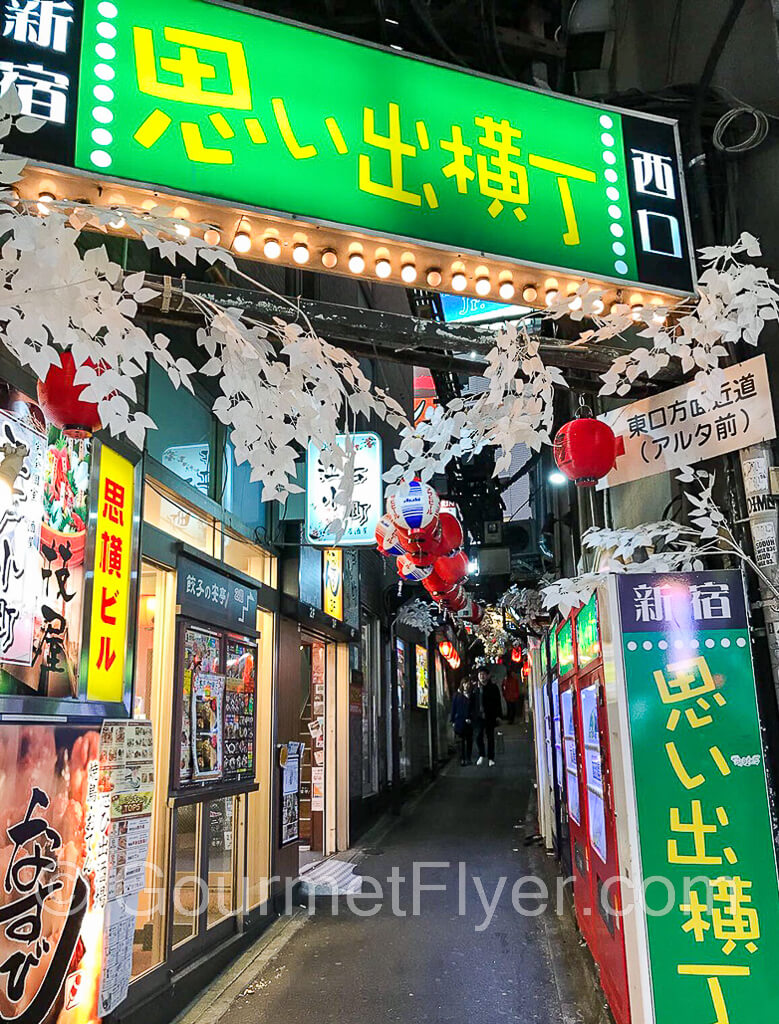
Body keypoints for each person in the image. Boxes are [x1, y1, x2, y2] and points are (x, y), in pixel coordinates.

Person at [473, 667, 502, 766]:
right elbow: (472, 703)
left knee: (490, 737)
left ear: (488, 675)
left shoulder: (493, 687)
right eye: (480, 674)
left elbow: (498, 702)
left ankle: (491, 757)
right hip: (478, 716)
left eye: (484, 674)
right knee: (478, 736)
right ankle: (481, 754)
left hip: (490, 716)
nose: (482, 676)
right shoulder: (475, 688)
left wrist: (498, 715)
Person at [450, 680, 473, 765]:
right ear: (462, 684)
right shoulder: (457, 695)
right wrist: (452, 720)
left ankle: (468, 757)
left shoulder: (472, 695)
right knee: (461, 741)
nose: (466, 685)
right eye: (465, 684)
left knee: (469, 740)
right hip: (459, 721)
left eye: (468, 684)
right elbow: (453, 708)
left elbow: (474, 708)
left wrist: (471, 718)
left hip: (469, 721)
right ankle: (462, 758)